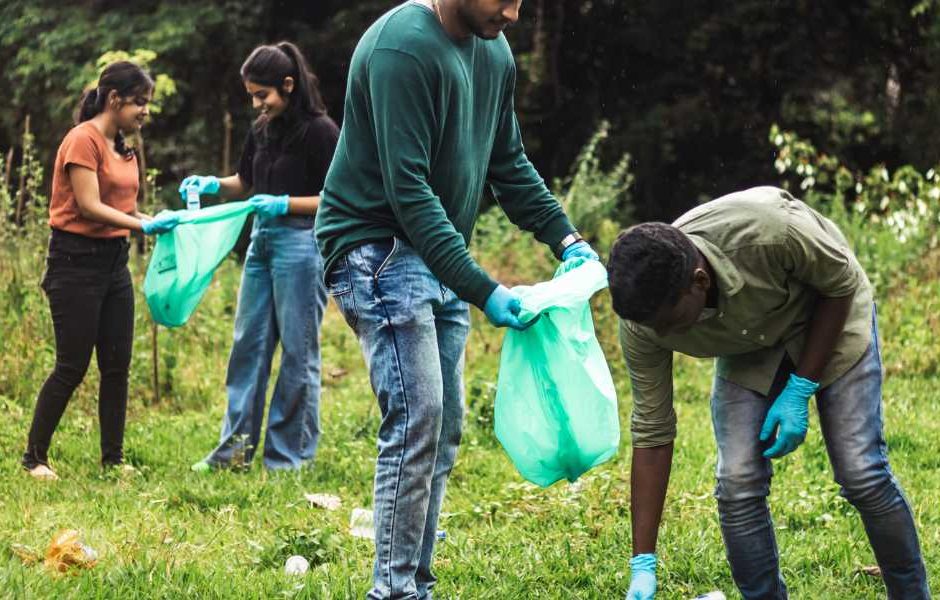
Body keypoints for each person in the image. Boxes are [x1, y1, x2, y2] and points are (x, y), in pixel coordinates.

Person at [314, 1, 598, 597]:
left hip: (436, 252)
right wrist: (482, 288)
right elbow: (408, 188)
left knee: (444, 427)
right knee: (418, 419)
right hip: (377, 247)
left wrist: (565, 236)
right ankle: (392, 591)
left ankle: (415, 582)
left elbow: (508, 162)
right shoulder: (401, 49)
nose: (515, 13)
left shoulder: (493, 51)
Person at [609, 186, 930, 599]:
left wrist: (800, 387)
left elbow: (840, 284)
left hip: (829, 311)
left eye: (671, 322)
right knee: (737, 478)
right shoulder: (644, 320)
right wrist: (643, 561)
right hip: (750, 344)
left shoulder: (770, 231)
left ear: (699, 281)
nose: (664, 336)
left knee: (860, 472)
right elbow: (652, 430)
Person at [182, 42, 339, 472]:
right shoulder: (262, 128)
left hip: (302, 246)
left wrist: (285, 203)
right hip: (261, 243)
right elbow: (245, 181)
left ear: (288, 86)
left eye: (262, 95)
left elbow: (336, 200)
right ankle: (233, 453)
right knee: (247, 348)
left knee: (296, 352)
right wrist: (211, 183)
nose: (257, 103)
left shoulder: (322, 131)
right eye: (252, 95)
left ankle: (287, 458)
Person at [21, 61, 179, 480]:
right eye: (139, 102)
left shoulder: (121, 146)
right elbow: (90, 206)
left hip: (114, 263)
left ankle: (113, 459)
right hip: (74, 263)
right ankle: (34, 458)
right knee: (71, 365)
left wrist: (153, 219)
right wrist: (142, 225)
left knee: (117, 365)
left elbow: (121, 209)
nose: (145, 111)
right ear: (114, 99)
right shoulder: (82, 140)